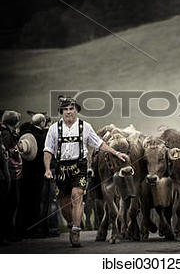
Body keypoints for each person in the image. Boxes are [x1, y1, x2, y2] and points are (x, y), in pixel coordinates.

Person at [43, 96, 130, 247]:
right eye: (66, 110)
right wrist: (47, 169)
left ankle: (76, 230)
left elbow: (100, 144)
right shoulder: (53, 129)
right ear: (61, 112)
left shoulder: (85, 127)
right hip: (62, 167)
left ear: (76, 111)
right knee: (64, 202)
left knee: (77, 196)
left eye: (72, 109)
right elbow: (48, 150)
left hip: (80, 166)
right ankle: (71, 223)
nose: (69, 112)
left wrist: (116, 153)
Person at [17, 114, 48, 238]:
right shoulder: (41, 136)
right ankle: (34, 229)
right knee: (36, 202)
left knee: (23, 202)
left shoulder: (23, 133)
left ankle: (21, 229)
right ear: (42, 123)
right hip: (37, 173)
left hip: (24, 172)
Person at [0, 110, 23, 242]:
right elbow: (6, 155)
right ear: (14, 122)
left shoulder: (8, 133)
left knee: (11, 204)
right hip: (9, 174)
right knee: (9, 204)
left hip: (12, 173)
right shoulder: (6, 134)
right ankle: (6, 234)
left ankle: (9, 233)